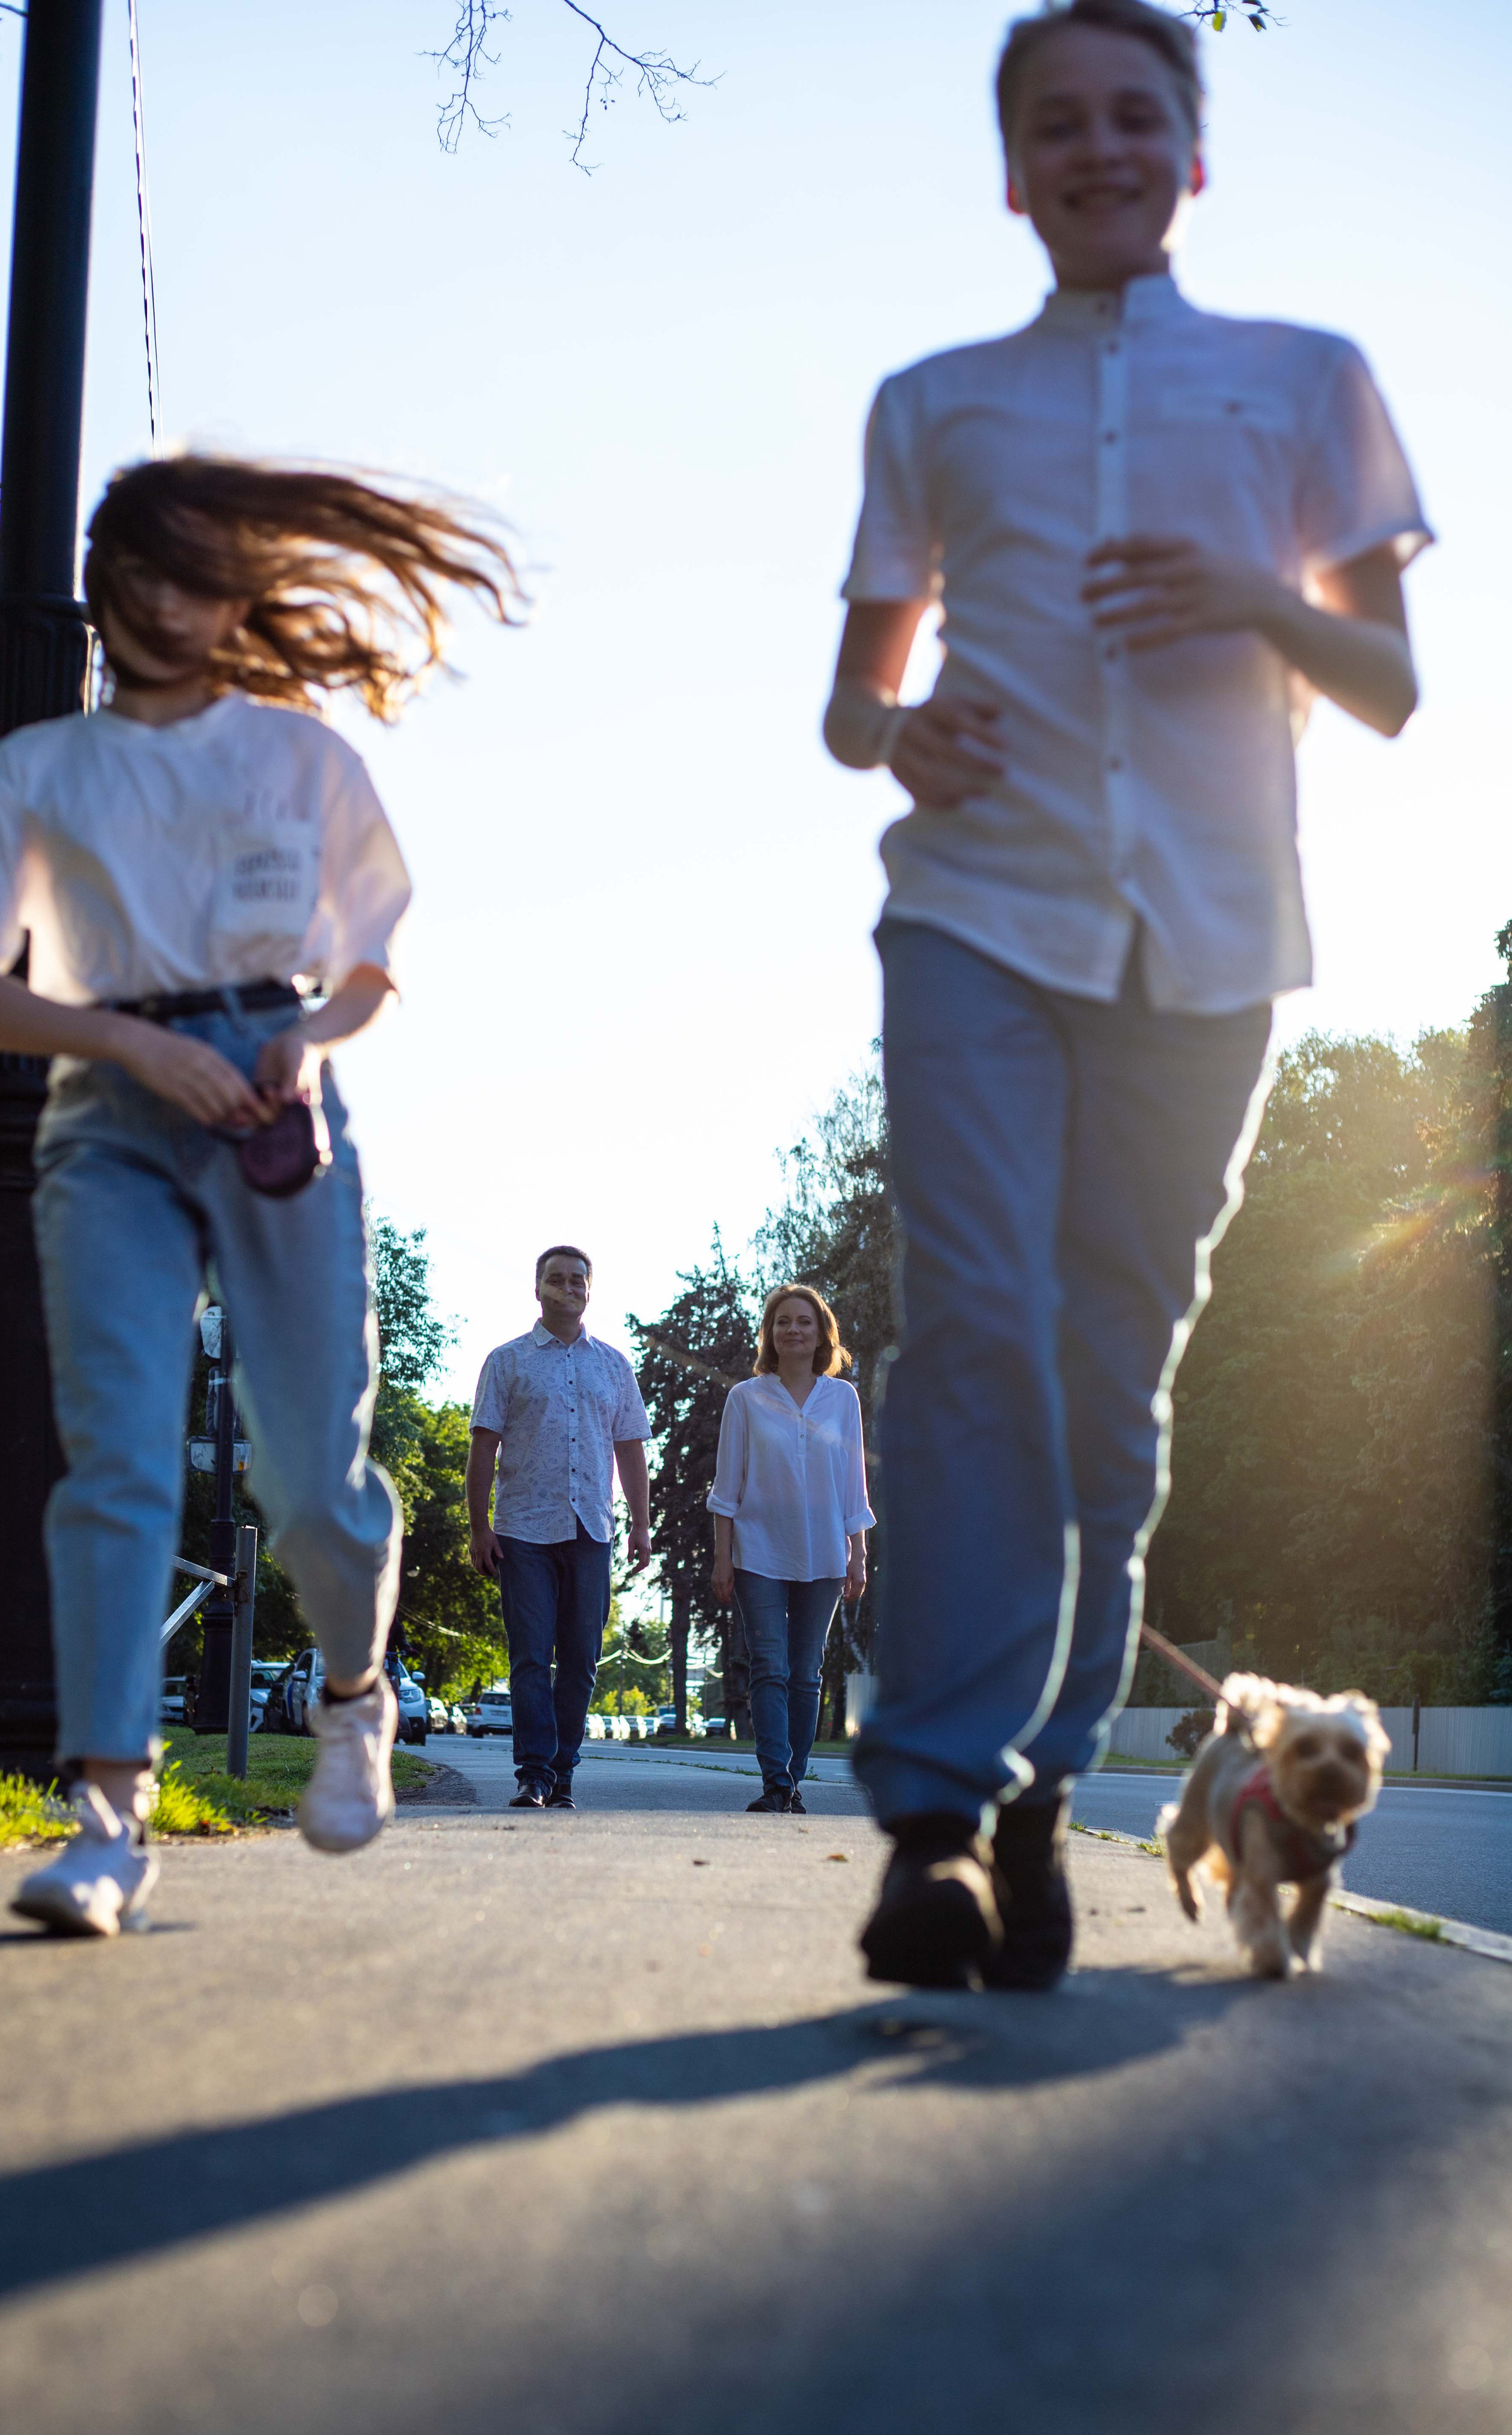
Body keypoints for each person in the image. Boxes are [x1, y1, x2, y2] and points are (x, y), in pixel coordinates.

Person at [822, 0, 1429, 1990]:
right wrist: (899, 732)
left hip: (1209, 942)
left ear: (1193, 152)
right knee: (972, 1339)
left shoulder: (1304, 381)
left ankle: (1037, 1796)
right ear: (1012, 172)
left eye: (1132, 115)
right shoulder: (934, 402)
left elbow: (1389, 683)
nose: (1096, 147)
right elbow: (851, 703)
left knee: (1106, 1378)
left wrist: (1250, 594)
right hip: (976, 914)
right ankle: (931, 1818)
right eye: (1056, 123)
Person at [0, 454, 518, 1935]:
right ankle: (106, 1818)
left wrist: (305, 1045)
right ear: (102, 586)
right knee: (115, 1460)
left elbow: (370, 962)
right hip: (106, 1113)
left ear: (235, 592)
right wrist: (128, 1043)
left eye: (197, 577)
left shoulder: (299, 756)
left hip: (276, 1096)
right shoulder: (38, 771)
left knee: (311, 1471)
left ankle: (355, 1691)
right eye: (142, 575)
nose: (168, 605)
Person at [467, 1247, 652, 1808]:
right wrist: (479, 1528)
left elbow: (631, 1450)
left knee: (580, 1660)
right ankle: (533, 1774)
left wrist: (642, 1526)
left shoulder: (614, 1366)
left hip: (592, 1531)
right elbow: (483, 1448)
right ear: (538, 1288)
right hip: (522, 1531)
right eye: (557, 1279)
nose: (568, 1287)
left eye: (578, 1280)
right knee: (530, 1656)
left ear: (590, 1291)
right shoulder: (507, 1361)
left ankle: (562, 1771)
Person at [708, 1285, 874, 1814]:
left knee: (805, 1672)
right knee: (768, 1667)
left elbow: (854, 1486)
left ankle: (793, 1780)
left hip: (824, 1554)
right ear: (770, 1334)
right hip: (758, 1552)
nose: (793, 1330)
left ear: (822, 1333)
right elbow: (726, 1488)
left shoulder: (842, 1399)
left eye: (804, 1321)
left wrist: (858, 1553)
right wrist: (722, 1557)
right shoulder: (746, 1398)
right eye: (783, 1322)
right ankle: (776, 1781)